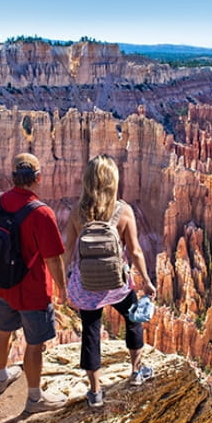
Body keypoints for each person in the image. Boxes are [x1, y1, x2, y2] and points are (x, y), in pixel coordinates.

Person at [63, 154, 157, 408]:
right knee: (133, 320)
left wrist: (63, 284)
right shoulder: (124, 211)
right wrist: (147, 281)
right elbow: (135, 251)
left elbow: (68, 249)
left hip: (86, 288)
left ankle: (95, 392)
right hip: (118, 284)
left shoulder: (76, 212)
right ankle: (137, 372)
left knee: (90, 334)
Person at [0, 152, 68, 413]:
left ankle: (0, 379)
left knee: (3, 332)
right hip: (33, 291)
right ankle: (34, 399)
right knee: (34, 344)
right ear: (38, 178)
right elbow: (53, 258)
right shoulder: (42, 213)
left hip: (4, 286)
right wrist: (63, 290)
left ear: (12, 177)